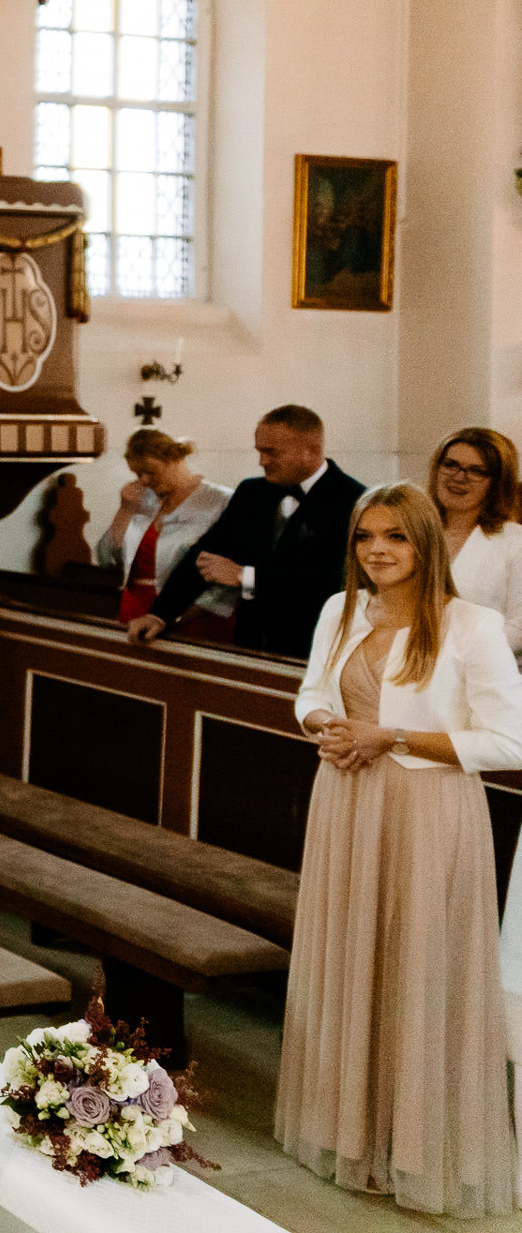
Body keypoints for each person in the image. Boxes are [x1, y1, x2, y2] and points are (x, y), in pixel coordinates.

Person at [275, 482, 522, 1216]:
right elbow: (311, 692)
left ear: (425, 543)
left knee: (418, 968)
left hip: (426, 809)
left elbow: (510, 743)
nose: (376, 551)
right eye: (364, 537)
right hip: (346, 798)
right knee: (351, 960)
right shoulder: (340, 609)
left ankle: (413, 1146)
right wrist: (326, 726)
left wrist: (392, 737)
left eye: (395, 536)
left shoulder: (471, 625)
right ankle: (351, 1134)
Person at [127, 405, 364, 659]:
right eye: (259, 451)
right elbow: (204, 554)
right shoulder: (251, 493)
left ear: (312, 451)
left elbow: (330, 582)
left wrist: (245, 576)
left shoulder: (354, 500)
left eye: (271, 452)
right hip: (250, 643)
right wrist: (160, 614)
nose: (262, 462)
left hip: (313, 648)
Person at [92, 427, 233, 630]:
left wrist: (177, 616)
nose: (144, 480)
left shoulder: (221, 501)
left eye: (151, 472)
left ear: (174, 460)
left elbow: (228, 579)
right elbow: (106, 559)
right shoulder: (143, 499)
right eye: (138, 474)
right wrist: (125, 511)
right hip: (134, 607)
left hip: (192, 615)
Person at [431, 426, 522, 659]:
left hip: (485, 668)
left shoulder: (515, 542)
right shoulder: (412, 532)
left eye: (476, 471)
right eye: (450, 465)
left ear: (497, 483)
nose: (459, 477)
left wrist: (454, 657)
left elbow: (519, 626)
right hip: (410, 665)